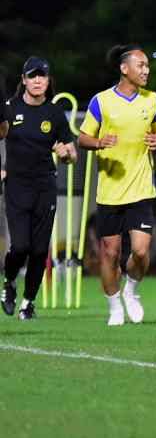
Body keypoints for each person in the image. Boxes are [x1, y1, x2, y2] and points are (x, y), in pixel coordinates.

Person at [78, 45, 156, 326]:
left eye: (147, 65)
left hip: (141, 188)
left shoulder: (152, 100)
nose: (146, 69)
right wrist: (99, 142)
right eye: (140, 64)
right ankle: (114, 306)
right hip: (110, 191)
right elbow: (83, 138)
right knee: (110, 253)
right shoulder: (101, 102)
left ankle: (131, 290)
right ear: (124, 68)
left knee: (140, 252)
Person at [1, 57, 77, 320]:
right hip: (16, 187)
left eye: (41, 76)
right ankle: (9, 283)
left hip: (45, 186)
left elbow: (72, 153)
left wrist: (65, 153)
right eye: (31, 76)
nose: (37, 81)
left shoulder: (54, 113)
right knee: (20, 246)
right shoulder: (9, 109)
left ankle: (28, 303)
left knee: (40, 251)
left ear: (48, 81)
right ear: (23, 80)